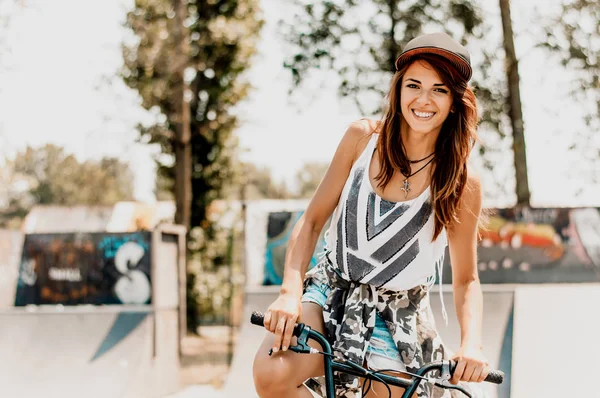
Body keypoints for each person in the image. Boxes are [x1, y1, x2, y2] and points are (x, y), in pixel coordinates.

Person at [253, 32, 490, 398]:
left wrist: (471, 344)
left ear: (455, 102)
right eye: (414, 85)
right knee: (271, 372)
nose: (424, 100)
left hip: (397, 314)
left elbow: (466, 280)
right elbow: (313, 221)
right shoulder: (362, 139)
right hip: (331, 290)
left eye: (439, 90)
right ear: (398, 91)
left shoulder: (462, 182)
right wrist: (288, 293)